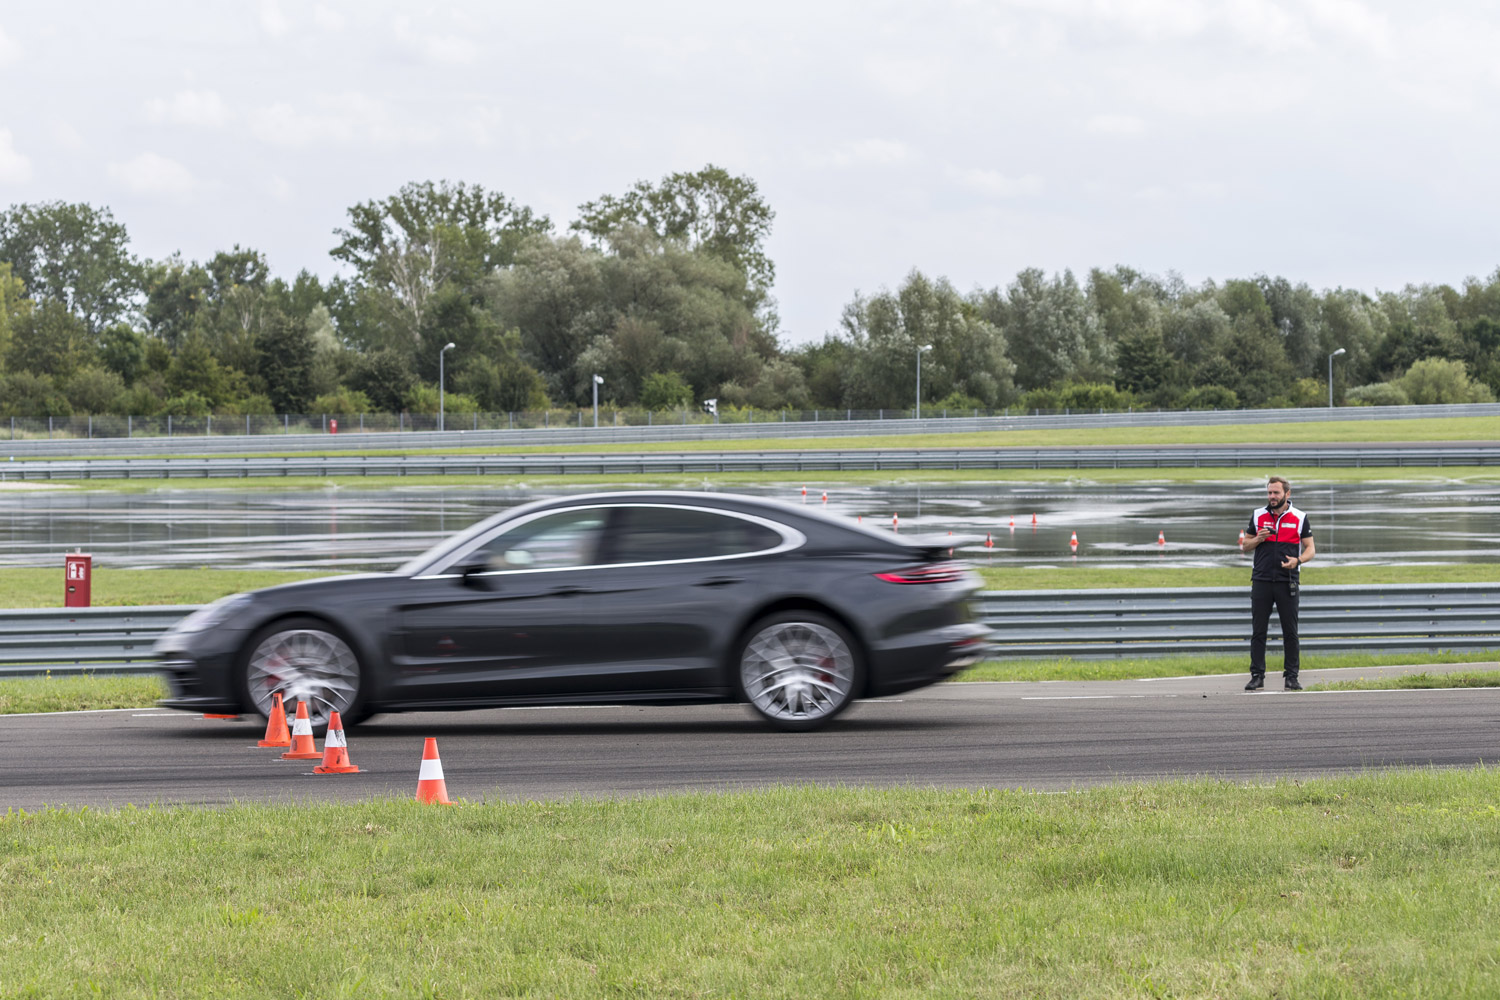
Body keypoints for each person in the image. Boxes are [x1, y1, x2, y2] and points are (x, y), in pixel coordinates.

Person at [1240, 476, 1316, 691]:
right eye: (1269, 493)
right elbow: (1245, 545)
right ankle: (1257, 676)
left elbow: (1311, 549)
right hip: (1262, 580)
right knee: (1258, 631)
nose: (1272, 497)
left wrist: (1298, 561)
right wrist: (1258, 539)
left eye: (1276, 493)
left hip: (1287, 581)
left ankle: (1291, 677)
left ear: (1287, 494)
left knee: (1290, 632)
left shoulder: (1300, 517)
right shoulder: (1258, 515)